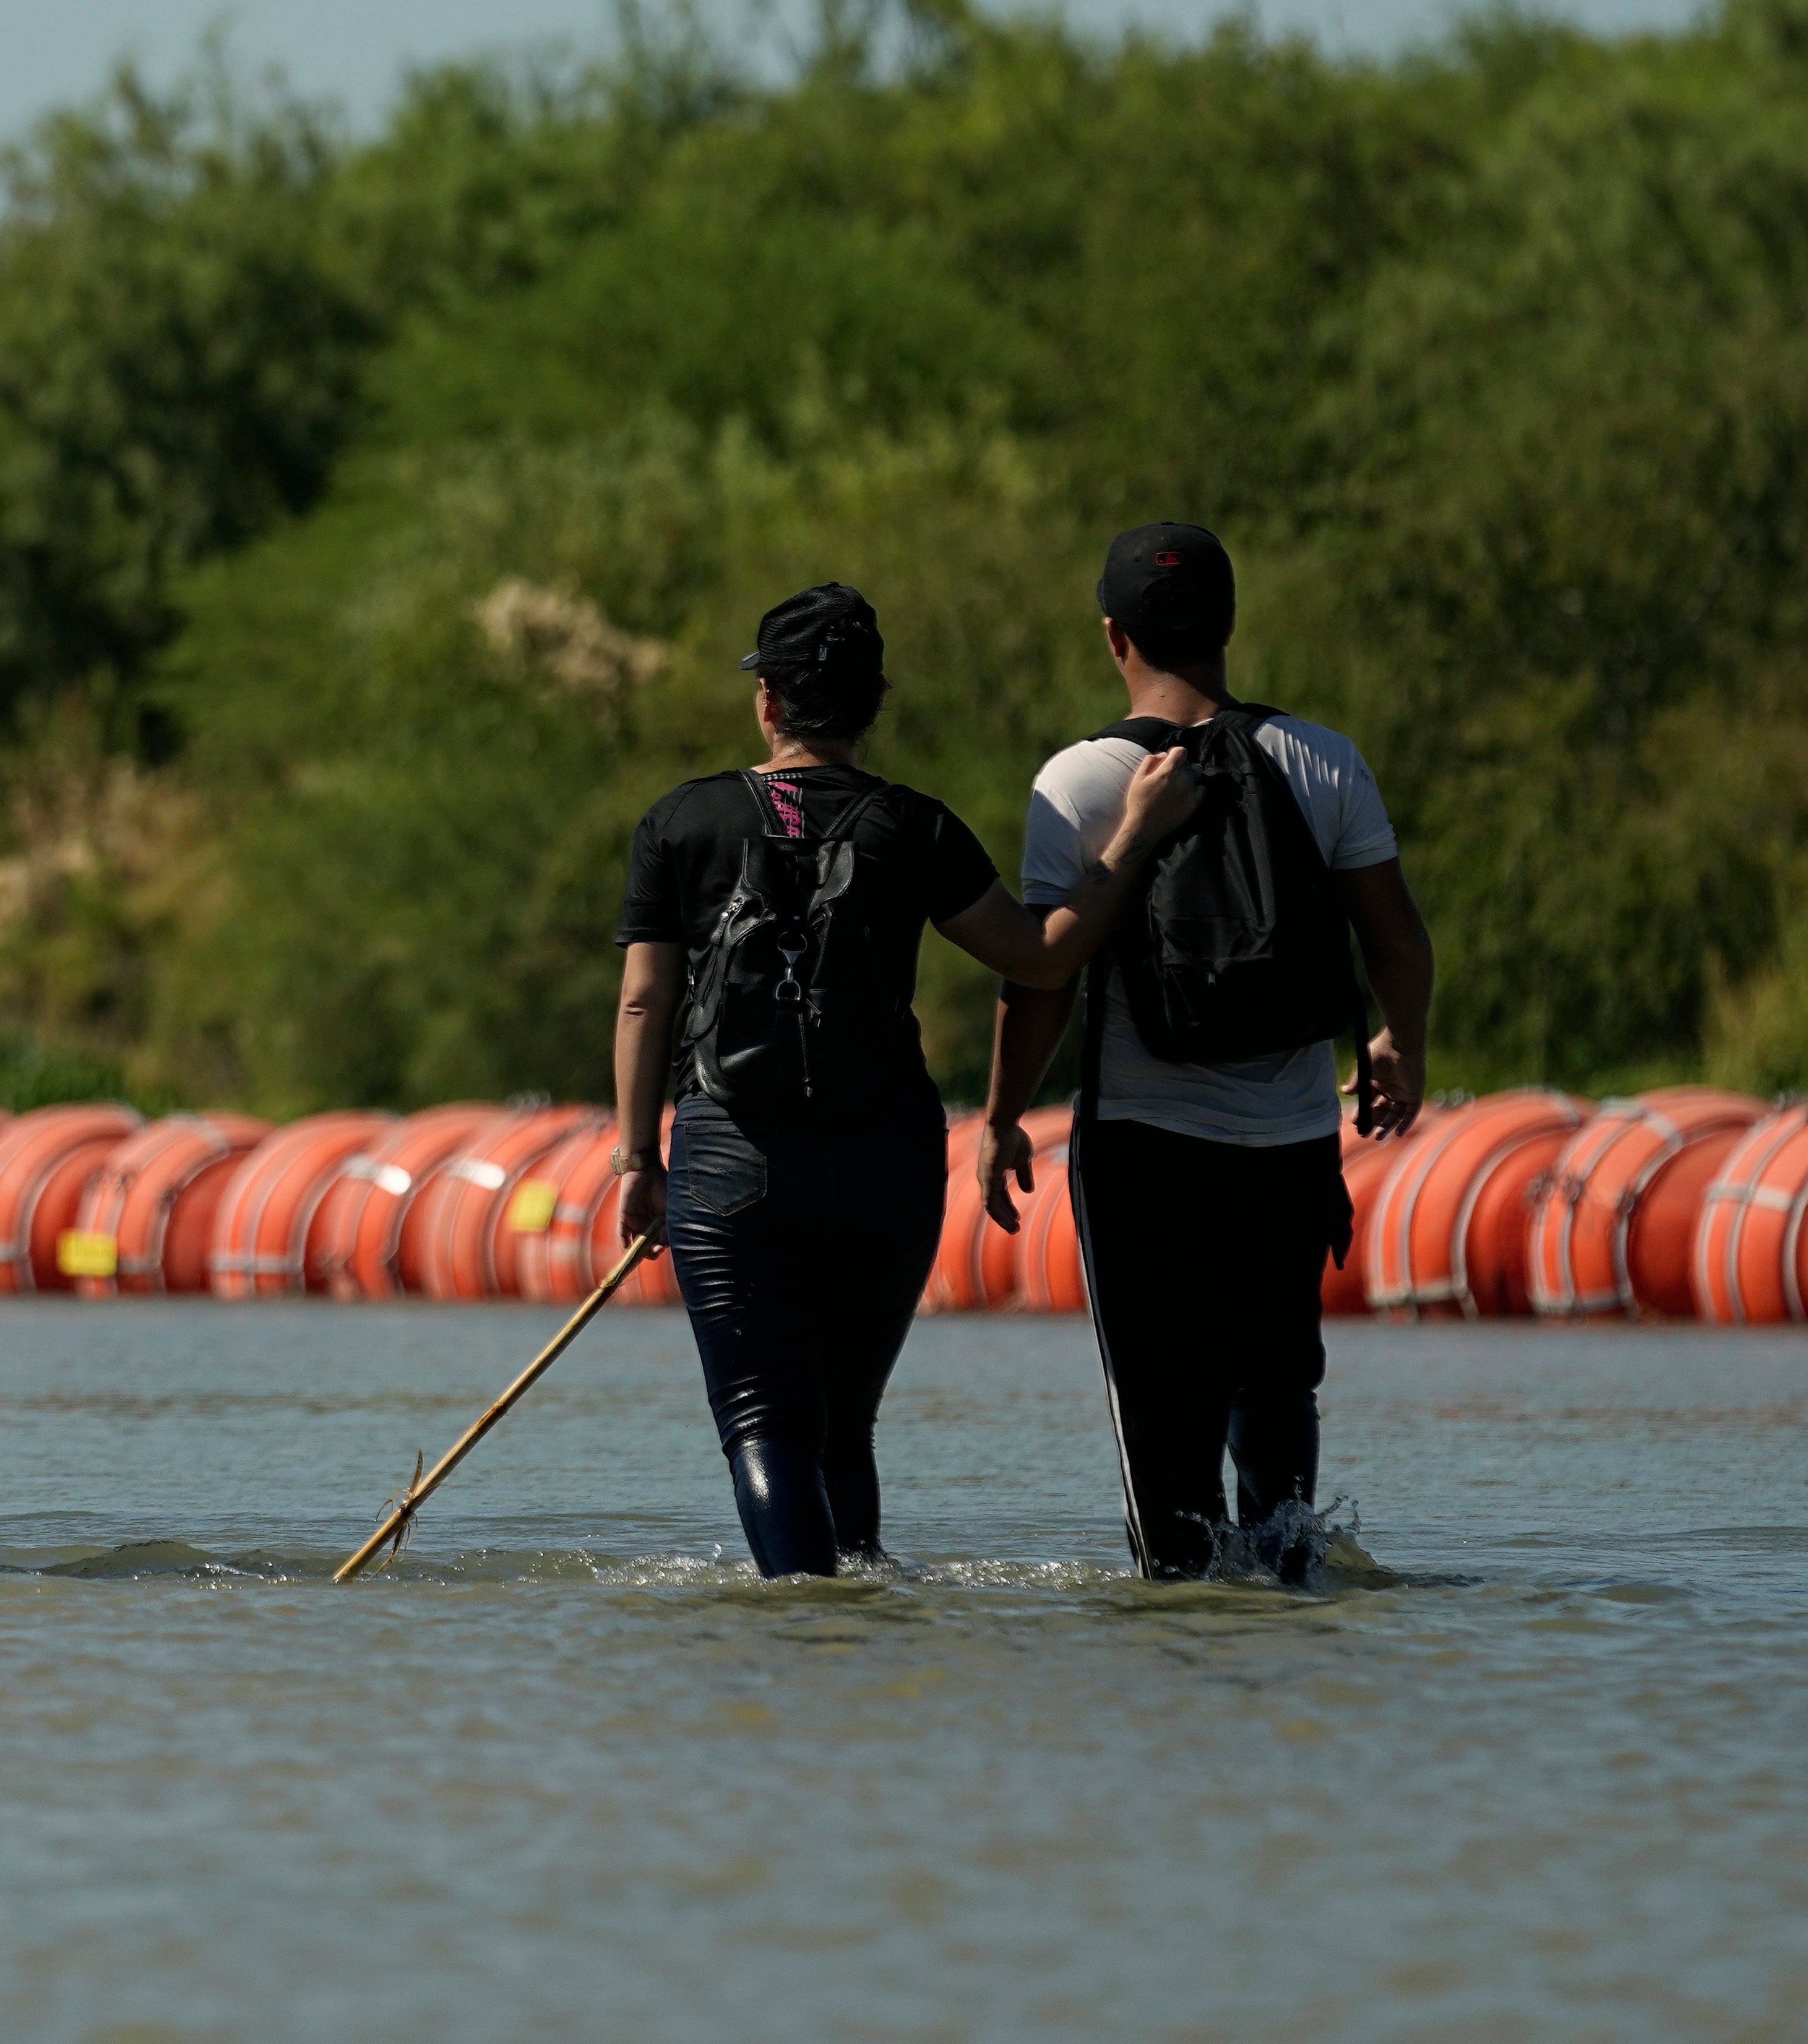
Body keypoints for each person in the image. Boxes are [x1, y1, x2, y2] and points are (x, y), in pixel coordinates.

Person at [614, 582, 1202, 1576]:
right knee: (845, 1422)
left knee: (767, 1423)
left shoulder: (681, 823)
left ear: (768, 701)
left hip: (732, 1159)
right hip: (889, 1162)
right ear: (871, 705)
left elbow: (643, 1000)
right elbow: (1040, 956)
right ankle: (860, 1620)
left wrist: (637, 1158)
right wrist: (1137, 830)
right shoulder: (914, 827)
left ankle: (804, 1623)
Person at [980, 523, 1435, 1580]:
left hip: (1143, 1146)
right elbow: (1397, 941)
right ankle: (1286, 1593)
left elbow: (1041, 975)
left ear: (1112, 636)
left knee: (1160, 1420)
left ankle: (1182, 1635)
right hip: (1283, 1142)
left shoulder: (1084, 780)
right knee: (1275, 1396)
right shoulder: (1320, 758)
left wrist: (1003, 1116)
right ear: (1227, 627)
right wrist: (1396, 1046)